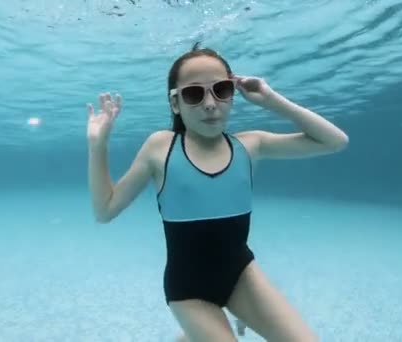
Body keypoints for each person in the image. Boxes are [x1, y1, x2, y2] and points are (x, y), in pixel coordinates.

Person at [86, 42, 349, 341]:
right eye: (194, 94)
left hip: (241, 276)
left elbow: (335, 141)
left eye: (221, 90)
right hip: (188, 291)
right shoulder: (161, 147)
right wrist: (98, 145)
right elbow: (105, 210)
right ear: (175, 103)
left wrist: (271, 99)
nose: (210, 104)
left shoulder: (251, 145)